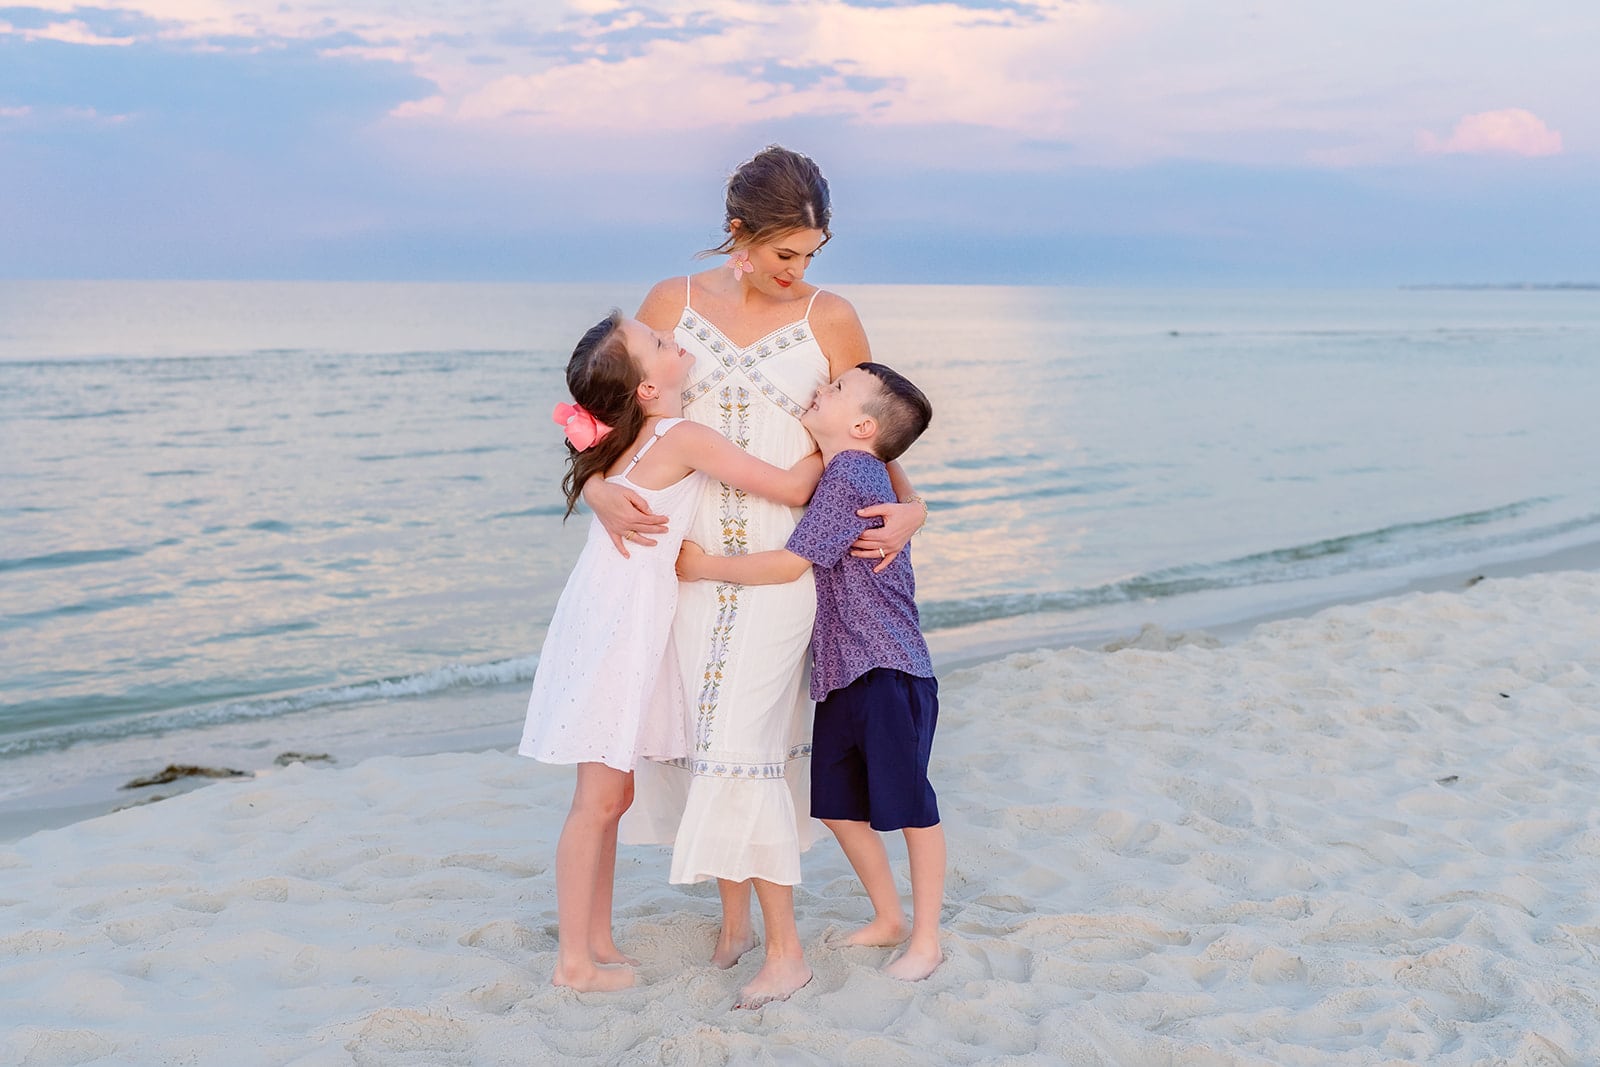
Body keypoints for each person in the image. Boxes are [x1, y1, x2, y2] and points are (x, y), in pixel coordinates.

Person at [586, 146, 928, 1009]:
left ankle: (787, 951)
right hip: (685, 561)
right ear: (739, 232)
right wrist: (595, 489)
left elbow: (874, 437)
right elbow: (617, 425)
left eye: (811, 253)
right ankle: (737, 920)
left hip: (784, 567)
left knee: (745, 745)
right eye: (786, 252)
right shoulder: (674, 304)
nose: (798, 270)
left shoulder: (832, 317)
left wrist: (914, 509)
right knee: (711, 740)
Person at [518, 310, 823, 993]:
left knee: (613, 793)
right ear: (648, 390)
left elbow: (590, 470)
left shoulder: (627, 439)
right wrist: (838, 444)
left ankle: (596, 939)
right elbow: (790, 488)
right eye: (658, 344)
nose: (673, 339)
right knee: (596, 797)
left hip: (611, 613)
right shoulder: (680, 434)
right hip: (620, 623)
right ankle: (573, 961)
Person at [676, 362, 944, 982]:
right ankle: (889, 919)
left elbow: (792, 564)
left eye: (837, 388)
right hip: (844, 672)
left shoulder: (851, 470)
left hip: (887, 667)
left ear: (861, 425)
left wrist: (704, 566)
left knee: (911, 807)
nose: (820, 387)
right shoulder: (844, 469)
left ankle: (926, 937)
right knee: (837, 805)